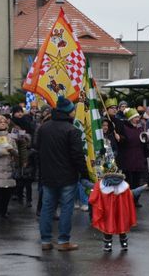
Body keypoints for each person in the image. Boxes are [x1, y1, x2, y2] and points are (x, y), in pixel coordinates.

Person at [37, 96, 88, 251]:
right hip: (67, 176)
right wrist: (84, 173)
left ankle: (45, 240)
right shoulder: (72, 130)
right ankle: (63, 241)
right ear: (68, 111)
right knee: (66, 208)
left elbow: (38, 149)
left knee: (47, 207)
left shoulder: (43, 128)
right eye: (73, 109)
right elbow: (77, 155)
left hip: (47, 175)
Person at [88, 172, 137, 252]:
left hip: (107, 211)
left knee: (108, 226)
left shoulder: (100, 185)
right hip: (121, 211)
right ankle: (124, 243)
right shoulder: (125, 185)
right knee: (121, 224)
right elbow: (130, 197)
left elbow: (92, 199)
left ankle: (108, 245)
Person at [118, 108, 148, 207]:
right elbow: (123, 141)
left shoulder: (140, 128)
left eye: (137, 117)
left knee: (137, 180)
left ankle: (135, 200)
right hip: (128, 157)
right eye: (135, 117)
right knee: (128, 181)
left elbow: (143, 141)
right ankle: (128, 199)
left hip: (139, 157)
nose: (137, 119)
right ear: (130, 118)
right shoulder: (124, 128)